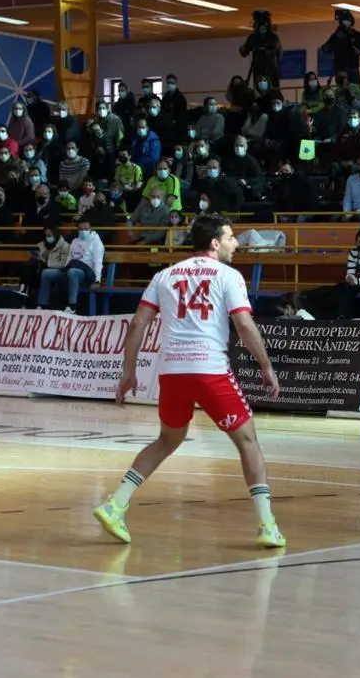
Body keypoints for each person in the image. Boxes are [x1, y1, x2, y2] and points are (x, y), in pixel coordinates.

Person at [94, 214, 285, 548]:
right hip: (210, 369)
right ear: (214, 242)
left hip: (172, 371)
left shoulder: (164, 275)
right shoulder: (228, 275)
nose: (236, 243)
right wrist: (266, 365)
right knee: (248, 442)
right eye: (231, 237)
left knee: (168, 439)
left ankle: (115, 504)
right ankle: (267, 525)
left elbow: (137, 325)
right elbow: (244, 325)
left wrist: (128, 372)